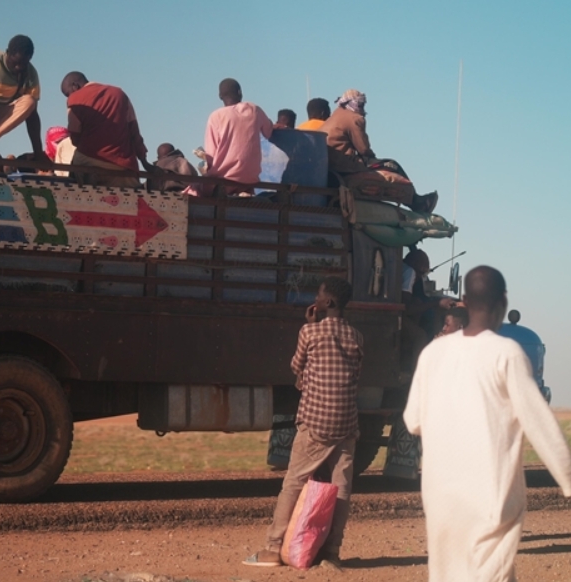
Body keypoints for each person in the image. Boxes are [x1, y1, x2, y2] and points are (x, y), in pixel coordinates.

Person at [404, 266, 571, 582]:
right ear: (503, 301)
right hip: (489, 498)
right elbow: (540, 425)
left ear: (463, 301)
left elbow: (413, 420)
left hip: (441, 499)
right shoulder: (506, 353)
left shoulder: (433, 353)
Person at [243, 277, 362, 569]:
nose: (315, 298)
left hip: (316, 421)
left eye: (319, 295)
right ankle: (331, 552)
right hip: (346, 421)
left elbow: (296, 365)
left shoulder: (310, 332)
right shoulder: (356, 336)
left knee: (293, 482)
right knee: (342, 486)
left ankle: (273, 548)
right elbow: (355, 373)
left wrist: (308, 325)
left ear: (328, 303)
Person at [320, 89, 436, 213]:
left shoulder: (335, 116)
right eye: (361, 104)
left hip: (332, 166)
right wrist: (373, 159)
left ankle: (415, 201)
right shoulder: (355, 119)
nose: (362, 108)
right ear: (354, 104)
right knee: (392, 165)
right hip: (345, 166)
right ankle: (417, 202)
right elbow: (364, 149)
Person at [60, 72, 151, 188]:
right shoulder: (120, 94)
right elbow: (134, 131)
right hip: (122, 164)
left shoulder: (75, 99)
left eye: (68, 94)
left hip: (89, 160)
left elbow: (75, 137)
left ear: (75, 86)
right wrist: (145, 162)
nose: (69, 97)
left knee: (74, 174)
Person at [190, 78, 273, 196]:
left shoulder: (216, 116)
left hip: (224, 180)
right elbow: (268, 132)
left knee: (191, 190)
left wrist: (208, 173)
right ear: (240, 92)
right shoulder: (255, 110)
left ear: (220, 96)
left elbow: (211, 156)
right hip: (250, 179)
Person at [400, 249, 454, 370]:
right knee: (420, 337)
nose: (421, 277)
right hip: (396, 316)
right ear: (414, 263)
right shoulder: (410, 272)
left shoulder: (401, 267)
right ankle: (416, 378)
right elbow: (406, 308)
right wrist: (436, 303)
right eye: (422, 272)